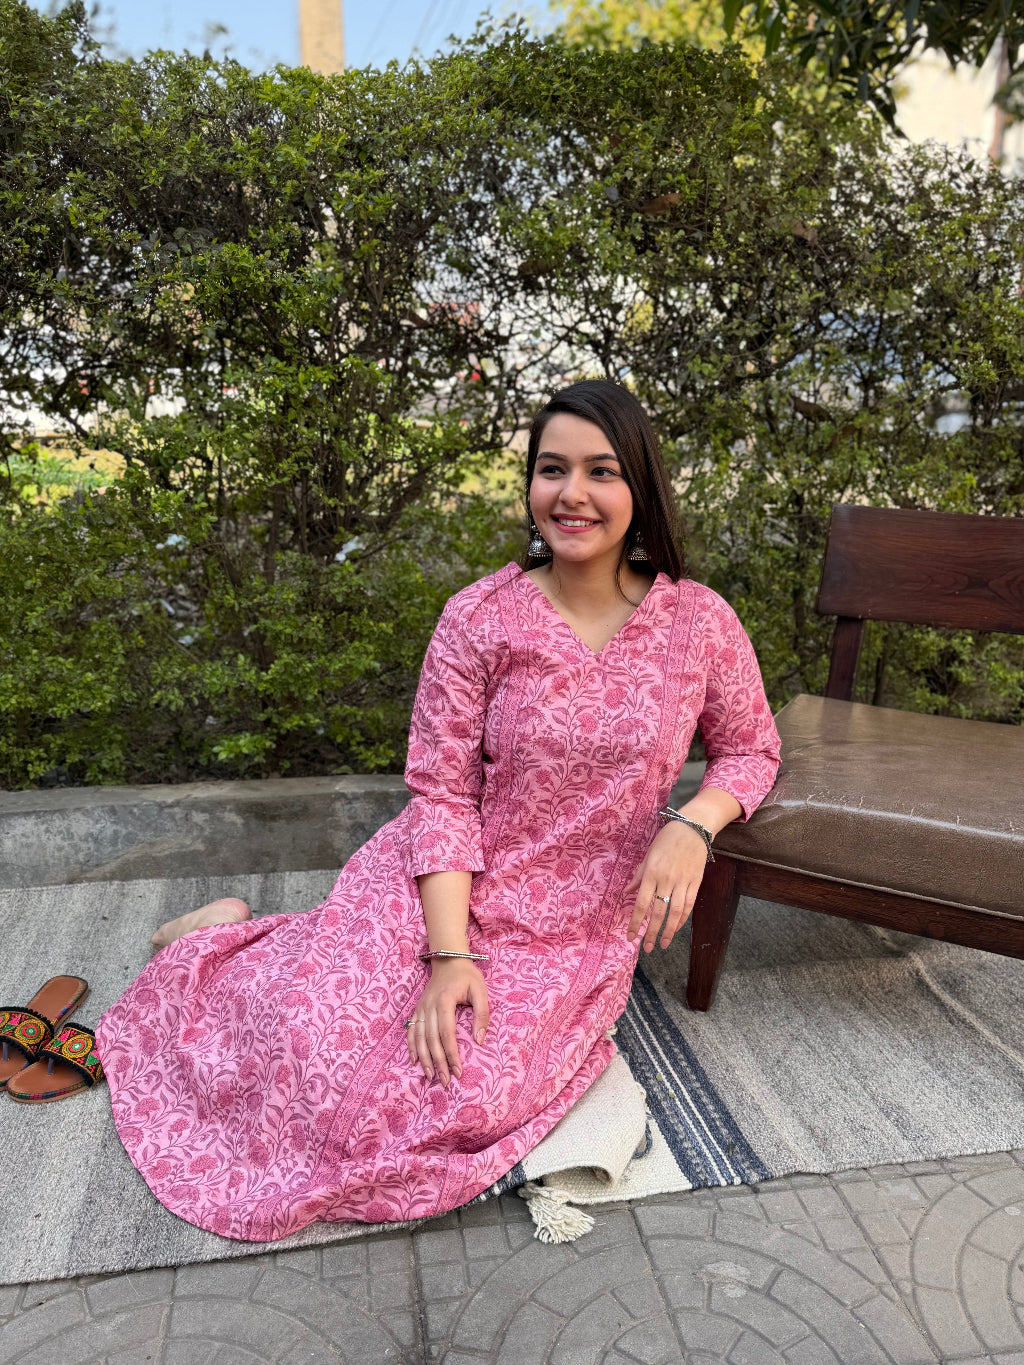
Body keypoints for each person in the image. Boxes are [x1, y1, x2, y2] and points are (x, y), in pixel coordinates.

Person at [96, 380, 781, 1241]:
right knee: (313, 1046)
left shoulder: (699, 624)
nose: (572, 493)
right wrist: (448, 953)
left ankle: (247, 936)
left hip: (573, 922)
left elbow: (752, 747)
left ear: (639, 486)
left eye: (601, 471)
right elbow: (444, 794)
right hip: (444, 880)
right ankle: (213, 944)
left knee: (455, 1096)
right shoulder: (480, 619)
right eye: (551, 469)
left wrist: (693, 822)